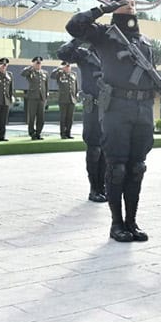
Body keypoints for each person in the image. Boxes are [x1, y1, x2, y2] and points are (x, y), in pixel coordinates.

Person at [66, 0, 161, 242]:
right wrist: (101, 10)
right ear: (114, 6)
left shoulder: (144, 41)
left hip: (143, 109)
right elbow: (74, 26)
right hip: (116, 108)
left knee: (137, 167)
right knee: (117, 168)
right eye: (125, 3)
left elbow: (150, 71)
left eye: (133, 3)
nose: (131, 6)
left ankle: (132, 222)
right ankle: (117, 224)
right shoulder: (104, 34)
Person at [58, 38, 107, 203]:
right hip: (93, 107)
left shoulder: (111, 55)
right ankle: (94, 188)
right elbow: (63, 53)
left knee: (107, 150)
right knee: (94, 149)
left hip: (110, 108)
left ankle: (103, 187)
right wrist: (79, 38)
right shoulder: (85, 55)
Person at [21, 56, 48, 140]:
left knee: (41, 117)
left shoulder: (44, 73)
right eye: (37, 63)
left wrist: (45, 96)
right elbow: (23, 73)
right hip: (33, 97)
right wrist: (31, 67)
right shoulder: (30, 72)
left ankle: (38, 133)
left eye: (39, 63)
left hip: (41, 97)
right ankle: (32, 133)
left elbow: (46, 86)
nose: (38, 65)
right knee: (32, 117)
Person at [51, 61, 79, 139]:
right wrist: (59, 68)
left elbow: (76, 86)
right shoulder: (59, 74)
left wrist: (76, 96)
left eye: (68, 66)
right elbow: (52, 76)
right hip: (63, 99)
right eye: (66, 66)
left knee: (70, 118)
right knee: (63, 117)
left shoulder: (73, 74)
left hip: (71, 99)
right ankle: (63, 134)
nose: (67, 67)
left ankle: (68, 133)